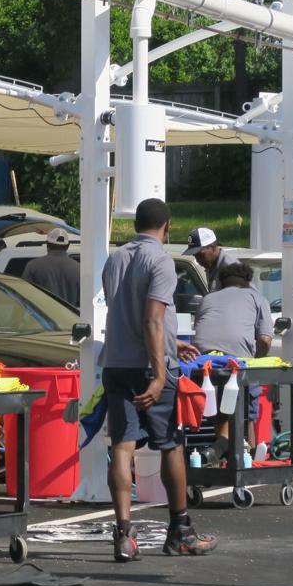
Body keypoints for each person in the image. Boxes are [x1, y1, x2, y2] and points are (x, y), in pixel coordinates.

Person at [101, 197, 218, 561]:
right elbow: (151, 318)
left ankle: (124, 535)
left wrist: (172, 340)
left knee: (122, 446)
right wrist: (160, 372)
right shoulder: (162, 261)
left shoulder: (115, 258)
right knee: (170, 445)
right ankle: (180, 530)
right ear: (166, 226)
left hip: (116, 363)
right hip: (150, 367)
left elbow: (127, 313)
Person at [191, 261, 273, 465]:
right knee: (247, 411)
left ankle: (219, 453)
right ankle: (249, 457)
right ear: (248, 281)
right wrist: (257, 361)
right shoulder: (257, 297)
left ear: (221, 282)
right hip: (236, 361)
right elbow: (264, 339)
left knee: (221, 408)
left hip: (204, 362)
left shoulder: (208, 298)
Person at [21, 227, 79, 304]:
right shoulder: (79, 268)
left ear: (47, 244)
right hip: (69, 315)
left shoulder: (33, 266)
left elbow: (24, 297)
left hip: (41, 315)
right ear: (68, 246)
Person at [182, 226, 240, 292]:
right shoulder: (211, 267)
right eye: (195, 255)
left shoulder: (230, 269)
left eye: (200, 255)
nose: (198, 260)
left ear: (213, 247)